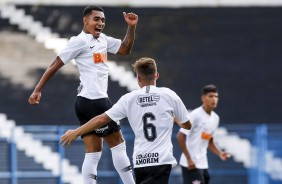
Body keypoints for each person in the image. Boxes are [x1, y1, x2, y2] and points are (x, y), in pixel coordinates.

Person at [28, 5, 138, 184]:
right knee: (118, 144)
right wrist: (37, 89)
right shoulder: (79, 41)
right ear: (85, 21)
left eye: (103, 20)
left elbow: (125, 49)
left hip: (84, 102)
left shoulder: (102, 39)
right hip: (96, 101)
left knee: (94, 152)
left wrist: (131, 27)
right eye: (96, 19)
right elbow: (55, 64)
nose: (100, 23)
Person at [60, 57, 192, 184]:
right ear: (156, 75)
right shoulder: (169, 95)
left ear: (138, 78)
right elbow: (187, 125)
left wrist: (76, 132)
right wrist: (172, 118)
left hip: (140, 162)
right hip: (161, 161)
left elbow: (101, 119)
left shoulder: (128, 99)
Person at [176, 84, 230, 184]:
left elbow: (208, 140)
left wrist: (220, 153)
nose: (214, 99)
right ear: (203, 98)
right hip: (191, 164)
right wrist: (189, 159)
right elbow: (180, 136)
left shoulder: (215, 118)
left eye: (216, 96)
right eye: (210, 96)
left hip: (203, 164)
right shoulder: (195, 115)